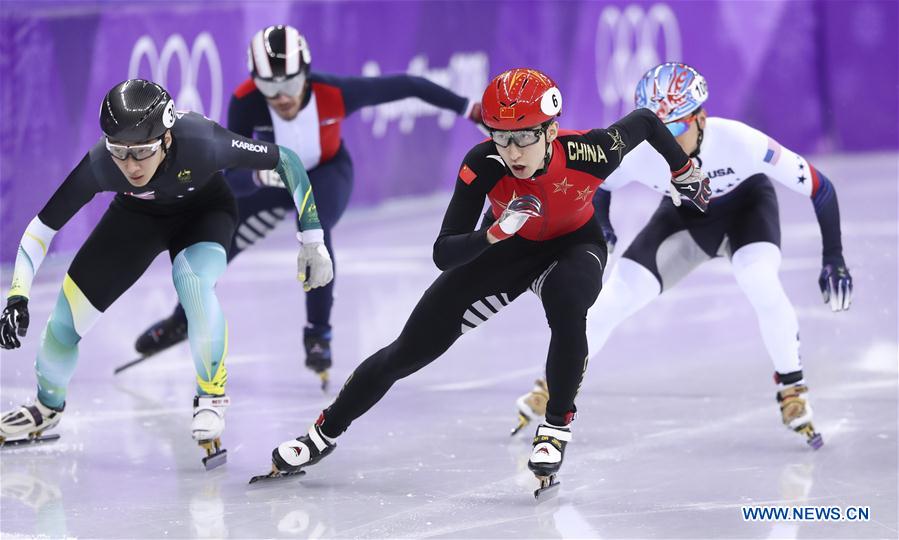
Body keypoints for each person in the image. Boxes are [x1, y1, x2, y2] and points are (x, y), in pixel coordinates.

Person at [255, 68, 710, 497]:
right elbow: (443, 251)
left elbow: (649, 121)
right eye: (500, 137)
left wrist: (683, 170)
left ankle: (554, 426)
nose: (512, 152)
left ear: (551, 132)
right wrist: (494, 232)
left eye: (524, 138)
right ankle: (322, 433)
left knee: (570, 306)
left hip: (574, 245)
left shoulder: (591, 151)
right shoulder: (483, 164)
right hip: (505, 248)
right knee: (406, 352)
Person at [511, 63, 852, 449]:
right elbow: (599, 187)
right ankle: (554, 386)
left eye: (673, 129)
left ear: (701, 118)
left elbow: (821, 188)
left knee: (760, 280)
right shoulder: (638, 154)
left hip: (747, 214)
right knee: (613, 298)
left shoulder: (742, 142)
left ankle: (792, 389)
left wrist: (834, 257)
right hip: (684, 221)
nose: (662, 142)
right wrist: (601, 226)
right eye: (653, 129)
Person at [0, 79, 332, 468]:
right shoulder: (102, 164)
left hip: (204, 213)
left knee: (191, 279)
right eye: (119, 152)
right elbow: (42, 228)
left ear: (168, 138)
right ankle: (46, 406)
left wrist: (312, 239)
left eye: (141, 151)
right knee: (63, 324)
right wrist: (17, 294)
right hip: (136, 220)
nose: (130, 165)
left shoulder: (204, 142)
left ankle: (211, 396)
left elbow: (286, 160)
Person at [133, 25, 485, 388]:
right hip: (272, 178)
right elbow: (233, 171)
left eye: (289, 84)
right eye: (269, 87)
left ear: (307, 73)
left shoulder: (335, 92)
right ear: (256, 82)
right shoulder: (245, 101)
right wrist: (259, 180)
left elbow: (409, 85)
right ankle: (180, 319)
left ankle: (318, 333)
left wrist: (469, 109)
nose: (281, 97)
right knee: (224, 235)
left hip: (326, 174)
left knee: (314, 225)